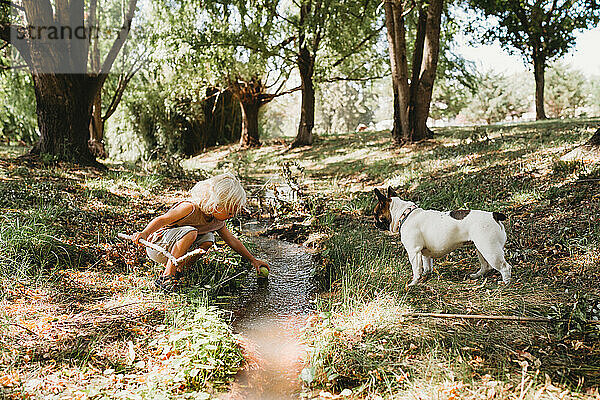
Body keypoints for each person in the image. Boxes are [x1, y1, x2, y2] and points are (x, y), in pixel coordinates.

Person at [132, 172, 269, 292]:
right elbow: (163, 219)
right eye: (230, 211)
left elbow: (232, 240)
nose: (232, 215)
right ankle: (167, 276)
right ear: (216, 204)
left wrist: (253, 260)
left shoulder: (218, 221)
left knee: (208, 238)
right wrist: (144, 233)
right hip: (160, 246)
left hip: (175, 252)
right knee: (191, 232)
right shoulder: (189, 208)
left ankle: (181, 269)